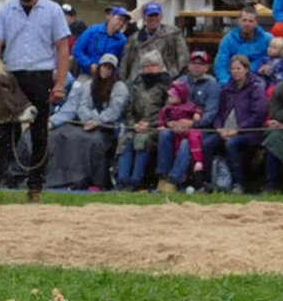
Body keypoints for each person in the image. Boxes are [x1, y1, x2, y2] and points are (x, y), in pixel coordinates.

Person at [0, 0, 72, 204]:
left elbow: (62, 48)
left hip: (41, 75)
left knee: (40, 134)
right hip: (12, 78)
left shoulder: (52, 10)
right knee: (2, 134)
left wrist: (60, 83)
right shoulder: (7, 11)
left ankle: (35, 187)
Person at [46, 54, 127, 190]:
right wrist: (88, 120)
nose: (106, 71)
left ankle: (98, 182)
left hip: (108, 127)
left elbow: (114, 111)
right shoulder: (88, 85)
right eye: (104, 67)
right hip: (87, 124)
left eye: (110, 69)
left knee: (95, 143)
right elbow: (82, 106)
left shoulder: (120, 88)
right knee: (67, 137)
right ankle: (68, 178)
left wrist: (97, 121)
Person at [200, 54, 267, 194]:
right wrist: (219, 128)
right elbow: (219, 113)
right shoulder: (227, 88)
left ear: (246, 69)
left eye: (239, 68)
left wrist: (236, 130)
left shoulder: (256, 86)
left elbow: (258, 115)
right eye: (233, 69)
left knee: (231, 144)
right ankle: (207, 183)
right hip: (226, 129)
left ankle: (238, 184)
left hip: (249, 131)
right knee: (207, 143)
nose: (236, 71)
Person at [155, 55, 218, 194]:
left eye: (201, 64)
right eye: (193, 63)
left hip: (201, 129)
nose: (196, 66)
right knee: (164, 133)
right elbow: (168, 107)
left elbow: (211, 113)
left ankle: (174, 180)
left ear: (207, 67)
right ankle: (163, 177)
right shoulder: (180, 81)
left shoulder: (212, 84)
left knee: (186, 143)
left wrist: (193, 123)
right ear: (188, 65)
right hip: (177, 126)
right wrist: (170, 123)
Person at [114, 50, 171, 190]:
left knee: (142, 140)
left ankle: (135, 180)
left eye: (152, 65)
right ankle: (122, 180)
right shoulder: (136, 84)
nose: (149, 68)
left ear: (160, 66)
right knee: (125, 139)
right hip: (136, 125)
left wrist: (151, 124)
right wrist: (134, 124)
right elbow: (129, 108)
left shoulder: (167, 84)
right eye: (146, 65)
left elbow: (169, 110)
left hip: (156, 126)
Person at [121, 2, 187, 80]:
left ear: (161, 16)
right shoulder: (134, 39)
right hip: (141, 81)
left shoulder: (173, 34)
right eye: (150, 15)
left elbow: (183, 58)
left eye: (156, 15)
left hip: (167, 79)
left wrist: (174, 77)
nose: (153, 18)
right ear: (144, 17)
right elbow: (126, 63)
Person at [213, 7, 270, 85]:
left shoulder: (267, 39)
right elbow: (221, 66)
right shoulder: (228, 40)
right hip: (234, 80)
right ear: (238, 21)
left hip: (258, 79)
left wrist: (270, 66)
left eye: (250, 21)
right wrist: (227, 83)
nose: (247, 24)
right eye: (244, 20)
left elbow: (279, 59)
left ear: (256, 23)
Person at [71, 6, 129, 76]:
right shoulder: (93, 31)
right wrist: (89, 64)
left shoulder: (122, 40)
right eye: (119, 19)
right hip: (87, 73)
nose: (121, 23)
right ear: (110, 17)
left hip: (107, 77)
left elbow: (121, 62)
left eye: (124, 21)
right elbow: (77, 50)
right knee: (77, 86)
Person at [262, 64, 283, 192]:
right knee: (273, 137)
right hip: (281, 131)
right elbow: (274, 114)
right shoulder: (281, 89)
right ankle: (271, 183)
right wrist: (275, 123)